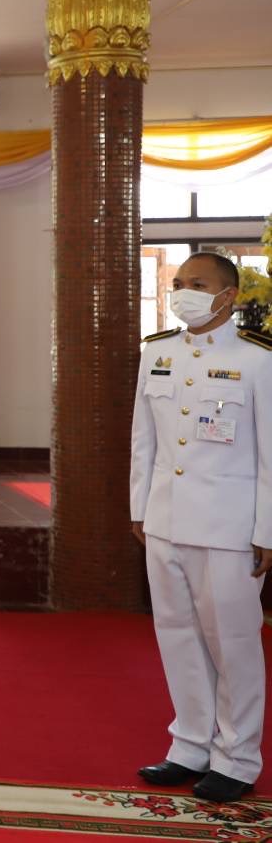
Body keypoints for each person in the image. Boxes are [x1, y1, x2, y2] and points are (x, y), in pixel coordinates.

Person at [131, 251, 272, 803]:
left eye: (198, 284)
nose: (183, 291)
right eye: (179, 282)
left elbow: (270, 455)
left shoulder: (258, 360)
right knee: (176, 634)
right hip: (165, 519)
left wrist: (267, 529)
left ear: (228, 295)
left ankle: (238, 757)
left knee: (233, 642)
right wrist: (140, 507)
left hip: (229, 527)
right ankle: (190, 743)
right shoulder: (157, 353)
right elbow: (144, 437)